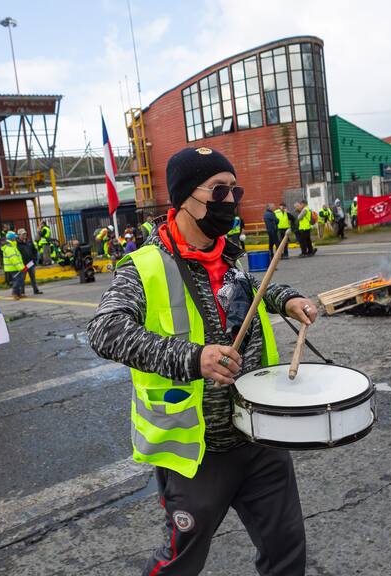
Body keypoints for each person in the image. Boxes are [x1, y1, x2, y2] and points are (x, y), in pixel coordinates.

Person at [88, 147, 313, 576]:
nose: (231, 200)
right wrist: (194, 358)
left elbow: (246, 290)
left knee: (287, 552)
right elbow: (104, 330)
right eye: (219, 190)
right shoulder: (143, 266)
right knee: (180, 563)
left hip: (259, 433)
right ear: (183, 198)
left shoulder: (229, 251)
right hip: (197, 450)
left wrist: (288, 299)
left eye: (235, 190)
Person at [15, 229, 43, 297]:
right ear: (19, 235)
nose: (24, 235)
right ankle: (22, 292)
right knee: (22, 278)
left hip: (30, 263)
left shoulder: (29, 241)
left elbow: (34, 251)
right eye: (22, 234)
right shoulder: (17, 244)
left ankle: (36, 290)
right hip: (23, 264)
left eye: (25, 234)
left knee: (33, 277)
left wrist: (34, 259)